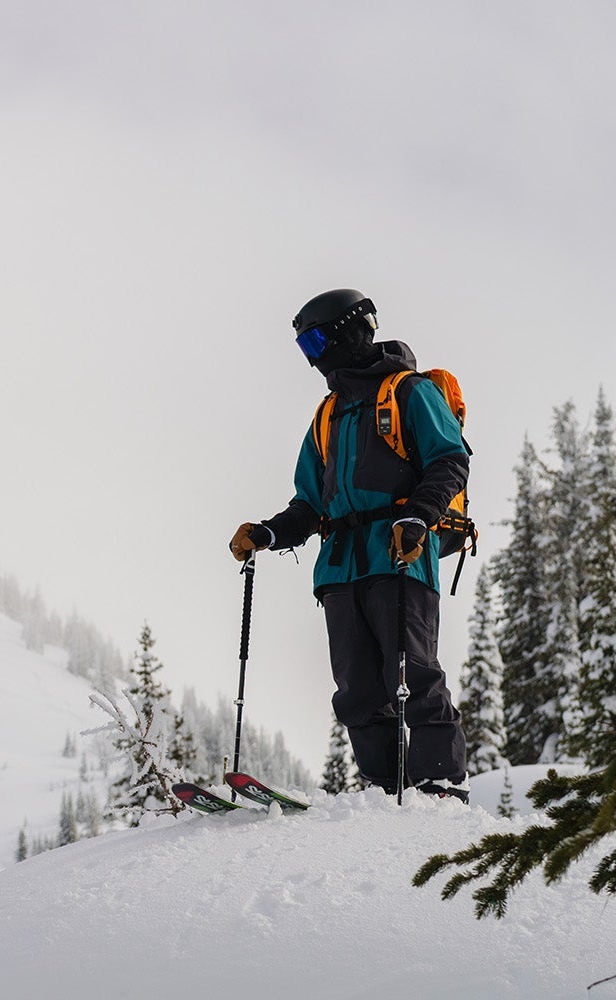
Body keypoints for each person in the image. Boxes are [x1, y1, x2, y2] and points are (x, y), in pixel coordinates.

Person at [229, 288, 472, 802]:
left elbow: (449, 459)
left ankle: (441, 792)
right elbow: (310, 505)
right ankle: (386, 792)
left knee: (413, 676)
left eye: (317, 340)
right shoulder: (327, 416)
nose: (315, 357)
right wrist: (268, 533)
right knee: (358, 691)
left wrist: (419, 518)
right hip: (340, 570)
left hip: (399, 555)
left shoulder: (409, 392)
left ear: (351, 330)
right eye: (305, 348)